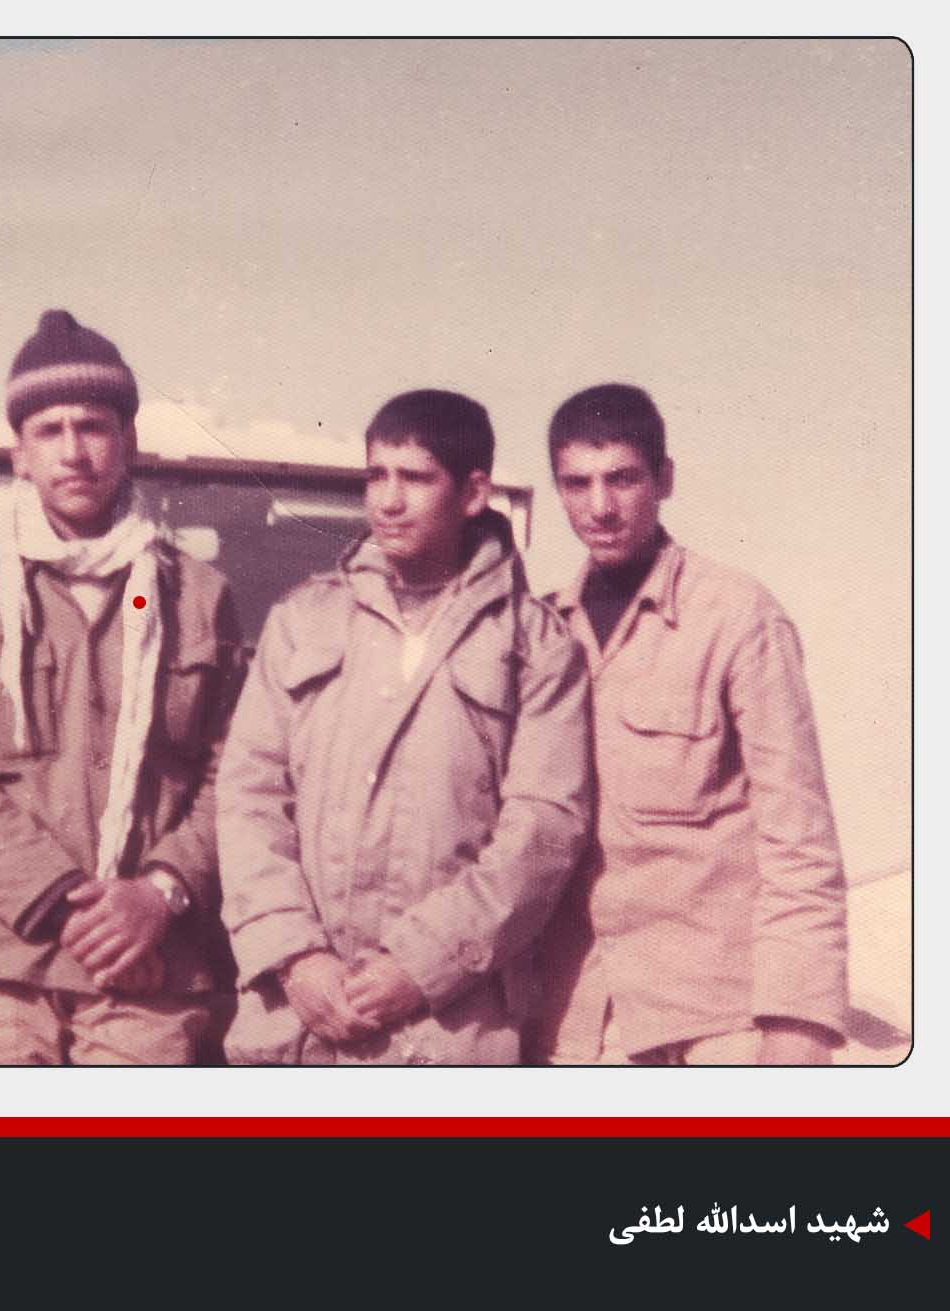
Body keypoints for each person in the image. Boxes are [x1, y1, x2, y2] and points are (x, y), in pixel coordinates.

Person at [0, 309, 242, 1064]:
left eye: (93, 426)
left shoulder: (196, 598)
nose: (73, 451)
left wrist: (160, 893)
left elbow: (230, 778)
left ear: (129, 442)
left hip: (148, 965)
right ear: (19, 455)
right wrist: (72, 908)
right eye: (49, 430)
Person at [218, 389, 592, 1064]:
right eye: (376, 475)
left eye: (415, 478)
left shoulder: (536, 646)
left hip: (446, 1028)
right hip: (295, 1022)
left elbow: (542, 831)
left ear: (472, 493)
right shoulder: (303, 620)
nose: (388, 501)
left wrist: (419, 965)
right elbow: (248, 796)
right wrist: (296, 957)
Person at [532, 383, 847, 1065]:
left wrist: (799, 1026)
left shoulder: (738, 616)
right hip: (573, 1027)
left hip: (714, 1026)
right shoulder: (540, 630)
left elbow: (800, 840)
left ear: (664, 479)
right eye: (577, 483)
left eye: (622, 478)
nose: (600, 506)